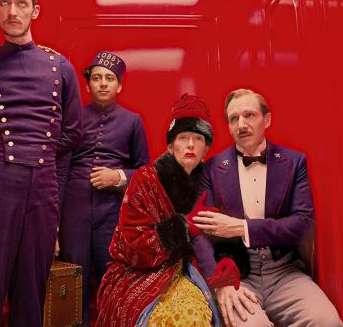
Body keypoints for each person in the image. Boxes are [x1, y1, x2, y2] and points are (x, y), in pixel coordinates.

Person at [0, 0, 82, 327]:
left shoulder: (60, 66)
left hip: (43, 184)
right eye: (4, 2)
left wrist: (39, 154)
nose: (13, 11)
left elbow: (73, 132)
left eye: (21, 3)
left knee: (32, 286)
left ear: (35, 10)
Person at [192, 88, 343, 327]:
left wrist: (242, 228)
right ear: (229, 126)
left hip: (285, 273)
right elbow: (199, 233)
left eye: (249, 115)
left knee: (327, 322)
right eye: (234, 118)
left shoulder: (294, 161)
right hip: (238, 276)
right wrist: (219, 283)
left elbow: (304, 224)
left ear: (267, 120)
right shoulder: (211, 169)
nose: (242, 124)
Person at [97, 93, 244, 327]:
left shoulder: (216, 180)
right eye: (183, 137)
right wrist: (181, 229)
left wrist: (227, 261)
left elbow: (228, 235)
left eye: (198, 138)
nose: (190, 144)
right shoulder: (146, 179)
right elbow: (132, 246)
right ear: (170, 145)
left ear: (206, 148)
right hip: (140, 273)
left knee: (193, 315)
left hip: (193, 270)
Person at [58, 51, 150, 325]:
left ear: (119, 86)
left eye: (109, 78)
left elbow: (146, 174)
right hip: (73, 212)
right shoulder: (72, 118)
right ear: (87, 85)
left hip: (113, 214)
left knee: (112, 283)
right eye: (97, 78)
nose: (103, 83)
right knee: (74, 283)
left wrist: (118, 176)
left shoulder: (133, 121)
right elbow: (60, 170)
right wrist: (55, 222)